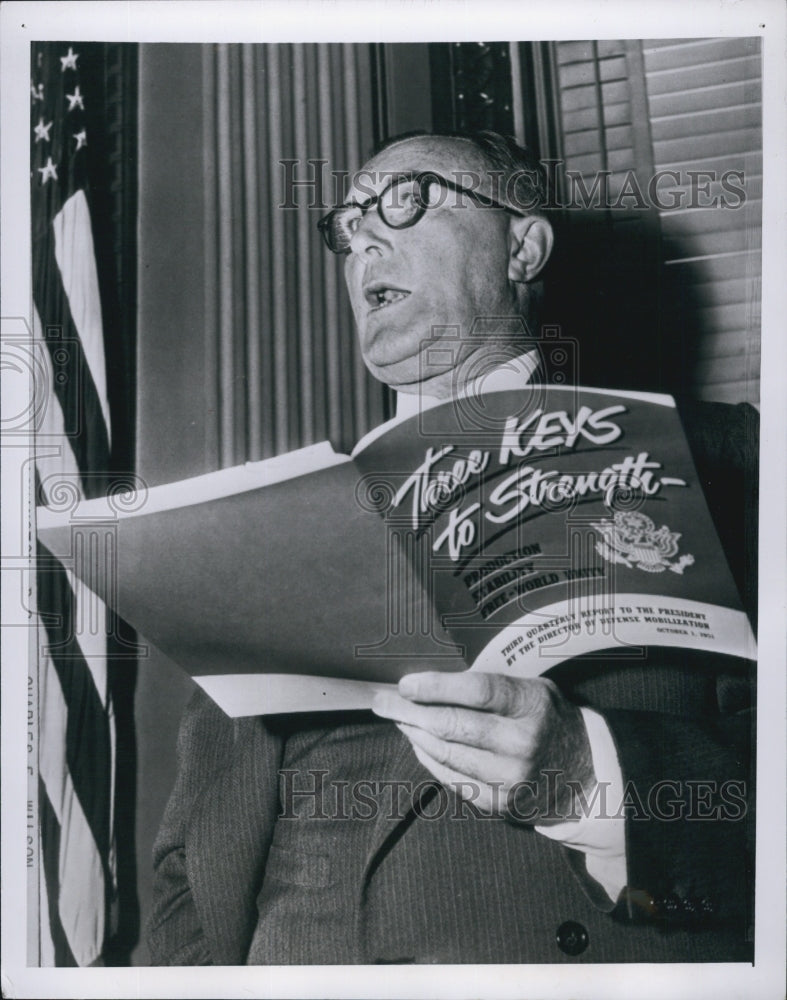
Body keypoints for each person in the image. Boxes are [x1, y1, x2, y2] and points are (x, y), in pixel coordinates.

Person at [148, 131, 756, 965]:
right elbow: (190, 865)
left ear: (523, 245)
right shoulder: (278, 519)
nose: (363, 237)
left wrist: (588, 775)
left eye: (408, 199)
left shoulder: (724, 462)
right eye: (349, 223)